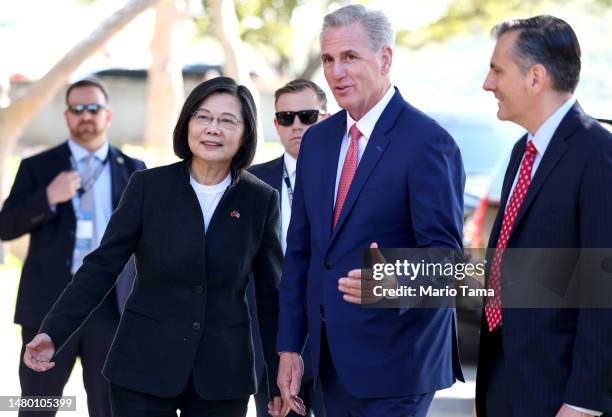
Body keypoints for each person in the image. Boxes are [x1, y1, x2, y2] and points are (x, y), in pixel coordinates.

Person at [23, 76, 284, 417]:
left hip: (222, 374)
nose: (213, 129)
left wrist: (279, 375)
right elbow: (102, 267)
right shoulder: (148, 187)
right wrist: (53, 331)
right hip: (142, 366)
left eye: (227, 120)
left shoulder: (260, 199)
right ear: (187, 123)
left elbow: (270, 297)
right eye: (203, 117)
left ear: (246, 132)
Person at [276, 5, 465, 417]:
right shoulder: (318, 142)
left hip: (399, 363)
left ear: (385, 59)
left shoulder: (428, 143)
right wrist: (290, 346)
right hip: (328, 364)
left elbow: (450, 264)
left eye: (349, 57)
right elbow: (302, 251)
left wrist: (390, 280)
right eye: (328, 59)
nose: (336, 72)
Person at [475, 16, 612, 417]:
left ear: (536, 77)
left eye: (497, 70)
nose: (488, 83)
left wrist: (583, 403)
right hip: (505, 387)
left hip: (560, 398)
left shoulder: (598, 157)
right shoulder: (522, 151)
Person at [0, 77, 144, 417]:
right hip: (48, 307)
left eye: (93, 108)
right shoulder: (38, 167)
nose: (85, 115)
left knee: (109, 407)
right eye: (77, 109)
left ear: (107, 116)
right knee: (39, 406)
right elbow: (5, 226)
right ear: (66, 117)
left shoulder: (135, 171)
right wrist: (47, 198)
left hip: (111, 307)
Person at [248, 79, 328, 417]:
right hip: (269, 337)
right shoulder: (249, 182)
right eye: (286, 117)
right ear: (276, 124)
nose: (297, 125)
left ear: (326, 118)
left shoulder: (349, 175)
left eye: (307, 116)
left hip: (330, 334)